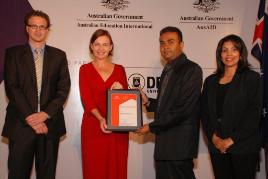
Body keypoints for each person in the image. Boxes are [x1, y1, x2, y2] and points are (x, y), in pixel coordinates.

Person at [2, 10, 71, 179]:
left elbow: (63, 89)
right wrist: (31, 117)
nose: (38, 30)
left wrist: (44, 114)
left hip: (50, 125)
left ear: (48, 30)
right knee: (17, 174)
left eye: (42, 27)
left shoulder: (59, 56)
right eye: (34, 26)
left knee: (47, 175)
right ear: (27, 28)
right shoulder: (13, 54)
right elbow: (12, 88)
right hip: (20, 125)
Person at [137, 26, 202, 179]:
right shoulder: (168, 69)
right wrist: (147, 102)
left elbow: (183, 109)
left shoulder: (192, 69)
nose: (165, 47)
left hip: (179, 147)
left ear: (181, 44)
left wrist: (151, 126)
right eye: (162, 43)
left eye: (170, 42)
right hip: (165, 148)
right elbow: (166, 106)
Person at [201, 34, 262, 179]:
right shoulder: (210, 81)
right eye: (224, 50)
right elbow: (204, 114)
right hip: (217, 148)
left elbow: (253, 114)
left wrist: (230, 140)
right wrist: (214, 139)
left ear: (241, 54)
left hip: (243, 147)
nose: (229, 54)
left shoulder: (251, 78)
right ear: (219, 54)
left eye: (234, 49)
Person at [79, 29, 129, 179]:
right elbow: (87, 99)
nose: (101, 48)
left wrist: (122, 90)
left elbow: (127, 101)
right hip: (93, 125)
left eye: (105, 44)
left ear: (111, 47)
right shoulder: (84, 69)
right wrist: (101, 119)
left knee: (117, 169)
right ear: (91, 46)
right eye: (97, 44)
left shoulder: (120, 70)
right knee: (94, 169)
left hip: (118, 129)